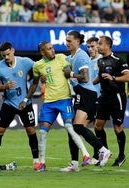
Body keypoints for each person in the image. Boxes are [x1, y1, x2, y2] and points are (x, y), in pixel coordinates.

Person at [19, 41, 90, 172]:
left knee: (69, 126)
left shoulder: (61, 57)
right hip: (49, 102)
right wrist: (25, 99)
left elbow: (68, 72)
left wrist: (69, 71)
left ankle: (86, 155)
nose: (53, 50)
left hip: (64, 100)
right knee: (42, 132)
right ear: (42, 52)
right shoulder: (37, 65)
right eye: (49, 49)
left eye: (52, 48)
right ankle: (42, 162)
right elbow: (34, 83)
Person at [61, 30, 111, 172]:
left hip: (87, 93)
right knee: (72, 129)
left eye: (70, 41)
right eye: (66, 40)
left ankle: (103, 150)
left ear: (77, 41)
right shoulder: (70, 57)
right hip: (80, 93)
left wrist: (70, 74)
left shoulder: (81, 56)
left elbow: (86, 78)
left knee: (76, 127)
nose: (67, 43)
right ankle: (74, 163)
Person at [0, 41, 40, 170]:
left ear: (13, 51)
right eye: (3, 55)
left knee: (31, 130)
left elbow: (39, 68)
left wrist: (41, 77)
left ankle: (36, 161)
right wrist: (5, 86)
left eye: (7, 54)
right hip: (9, 103)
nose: (6, 58)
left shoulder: (25, 62)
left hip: (25, 103)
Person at [93, 36, 129, 167]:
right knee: (98, 126)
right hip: (104, 97)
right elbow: (100, 77)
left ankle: (121, 155)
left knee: (117, 127)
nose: (98, 47)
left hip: (117, 97)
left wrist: (113, 77)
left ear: (108, 45)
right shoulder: (100, 61)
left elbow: (127, 77)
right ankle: (105, 152)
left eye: (100, 44)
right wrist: (89, 84)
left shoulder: (119, 60)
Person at [86, 36, 102, 165]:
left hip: (100, 98)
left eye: (92, 46)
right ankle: (101, 151)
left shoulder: (102, 60)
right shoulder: (87, 61)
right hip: (89, 99)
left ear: (98, 46)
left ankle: (99, 154)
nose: (90, 49)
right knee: (82, 127)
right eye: (88, 47)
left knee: (97, 127)